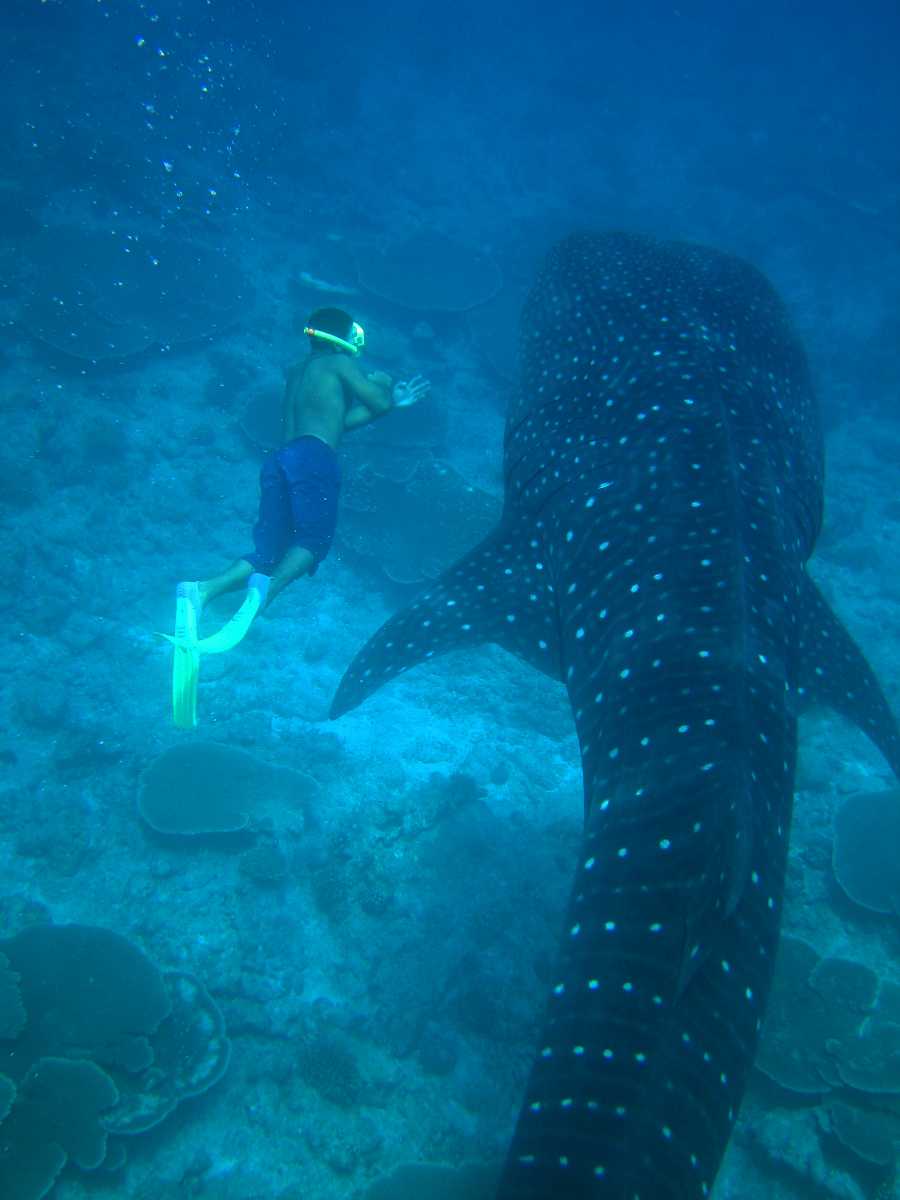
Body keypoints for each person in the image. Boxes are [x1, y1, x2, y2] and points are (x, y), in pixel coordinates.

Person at [165, 307, 430, 726]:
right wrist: (384, 388)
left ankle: (200, 591)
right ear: (345, 339)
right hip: (314, 460)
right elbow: (374, 401)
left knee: (267, 552)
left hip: (280, 460)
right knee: (313, 542)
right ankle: (263, 596)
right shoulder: (340, 362)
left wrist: (388, 406)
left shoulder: (299, 369)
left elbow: (340, 422)